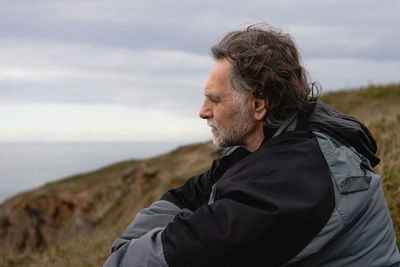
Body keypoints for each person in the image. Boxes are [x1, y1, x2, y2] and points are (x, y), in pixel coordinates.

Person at [103, 24, 400, 267]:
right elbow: (185, 197)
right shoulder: (270, 142)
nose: (203, 111)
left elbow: (182, 250)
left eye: (215, 99)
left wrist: (124, 250)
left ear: (258, 104)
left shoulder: (291, 181)